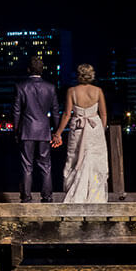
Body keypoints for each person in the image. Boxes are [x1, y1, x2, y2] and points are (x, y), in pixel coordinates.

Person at [53, 63, 110, 202]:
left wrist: (58, 133)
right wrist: (100, 131)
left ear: (79, 75)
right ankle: (94, 196)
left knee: (75, 158)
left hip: (78, 128)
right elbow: (103, 114)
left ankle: (77, 195)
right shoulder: (98, 91)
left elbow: (67, 114)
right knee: (95, 161)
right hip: (94, 129)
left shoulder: (72, 91)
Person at [12, 55, 58, 202]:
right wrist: (56, 131)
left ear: (28, 69)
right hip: (44, 131)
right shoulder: (50, 87)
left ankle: (26, 197)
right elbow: (56, 111)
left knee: (27, 166)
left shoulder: (21, 86)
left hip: (26, 130)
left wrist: (16, 129)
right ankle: (47, 197)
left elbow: (16, 111)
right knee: (46, 166)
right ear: (42, 70)